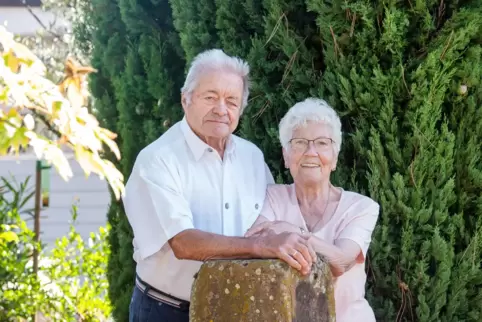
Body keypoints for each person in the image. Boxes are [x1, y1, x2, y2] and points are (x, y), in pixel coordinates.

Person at [122, 49, 316, 322]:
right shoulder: (157, 160)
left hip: (236, 308)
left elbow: (273, 221)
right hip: (168, 310)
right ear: (185, 99)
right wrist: (262, 245)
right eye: (210, 97)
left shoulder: (252, 157)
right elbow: (184, 243)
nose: (221, 109)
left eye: (231, 101)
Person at [245, 98, 380, 322]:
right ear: (286, 157)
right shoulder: (273, 196)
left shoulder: (361, 207)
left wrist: (288, 231)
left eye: (322, 143)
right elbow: (255, 242)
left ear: (334, 158)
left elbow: (340, 262)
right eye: (299, 143)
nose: (310, 152)